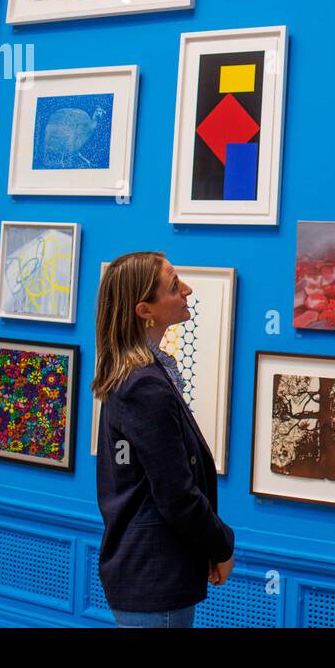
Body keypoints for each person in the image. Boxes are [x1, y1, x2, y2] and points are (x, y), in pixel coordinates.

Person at [93, 251, 234, 628]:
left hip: (145, 573)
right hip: (154, 577)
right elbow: (176, 495)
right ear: (145, 311)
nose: (187, 290)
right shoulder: (144, 386)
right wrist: (222, 544)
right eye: (174, 287)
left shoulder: (134, 374)